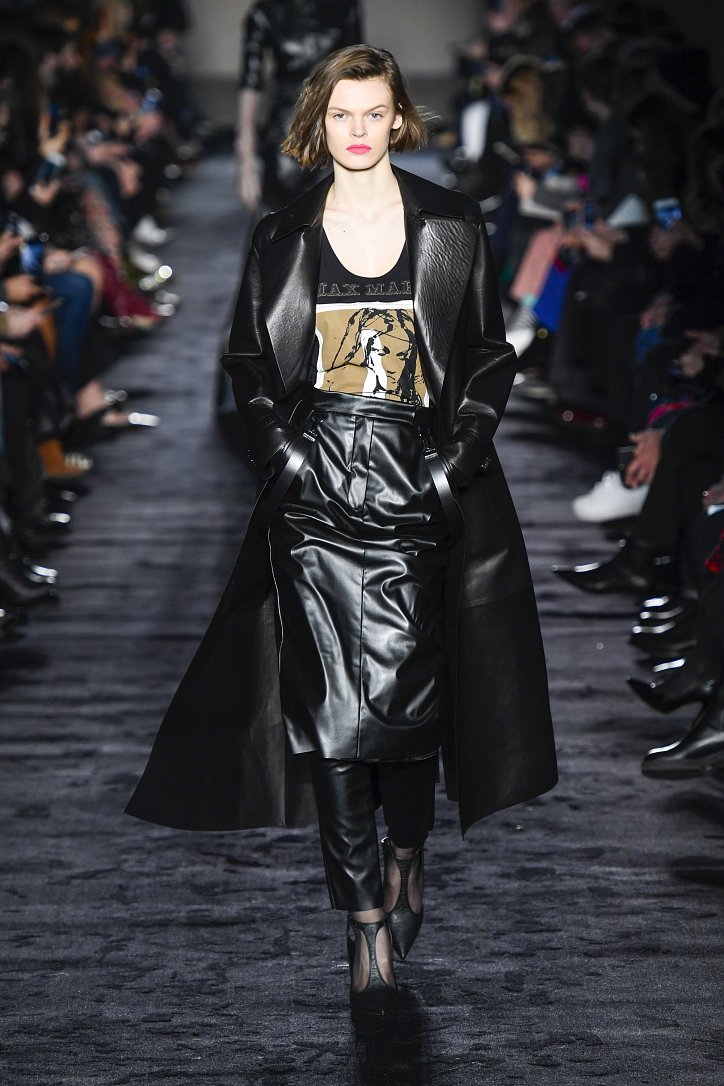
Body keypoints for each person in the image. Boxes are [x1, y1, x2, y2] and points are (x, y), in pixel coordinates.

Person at [126, 44, 557, 1015]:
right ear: (318, 123)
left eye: (373, 113)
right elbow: (248, 362)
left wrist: (449, 469)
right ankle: (362, 919)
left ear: (398, 117)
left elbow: (487, 354)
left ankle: (406, 850)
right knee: (328, 717)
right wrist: (283, 459)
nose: (357, 131)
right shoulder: (283, 233)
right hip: (316, 489)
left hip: (412, 480)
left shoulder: (450, 223)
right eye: (340, 114)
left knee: (406, 715)